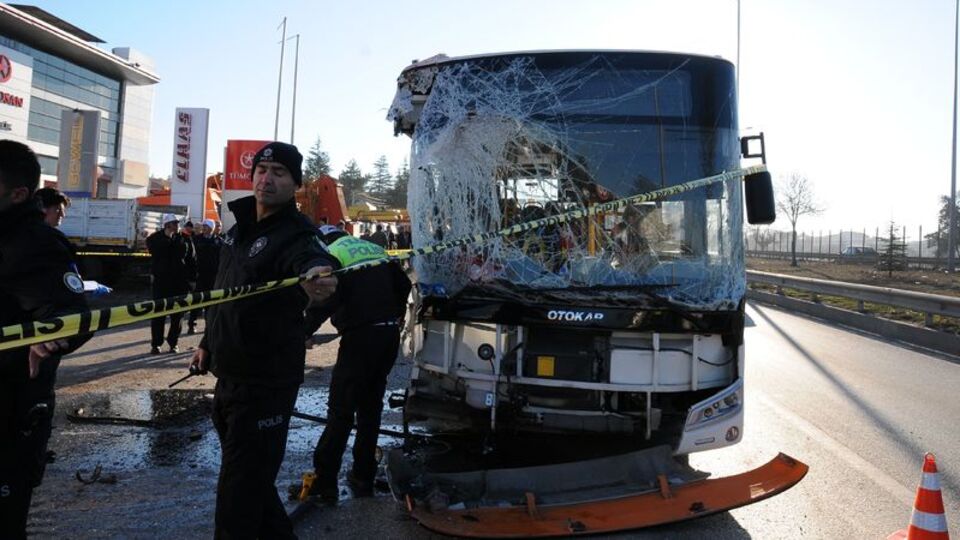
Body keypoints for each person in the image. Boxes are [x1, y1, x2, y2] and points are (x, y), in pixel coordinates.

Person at [189, 142, 337, 539]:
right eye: (261, 169)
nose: (267, 178)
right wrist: (207, 341)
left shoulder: (296, 233)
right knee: (252, 484)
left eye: (279, 172)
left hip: (266, 382)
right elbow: (224, 294)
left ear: (295, 183)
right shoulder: (238, 231)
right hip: (229, 376)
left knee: (236, 501)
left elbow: (312, 259)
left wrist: (319, 274)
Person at [0, 140, 90, 538]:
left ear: (18, 194)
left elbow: (72, 314)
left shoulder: (35, 244)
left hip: (9, 410)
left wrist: (50, 336)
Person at [307, 225, 411, 504]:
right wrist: (396, 313)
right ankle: (363, 474)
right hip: (388, 336)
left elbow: (327, 297)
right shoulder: (375, 249)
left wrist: (303, 331)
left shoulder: (332, 254)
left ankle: (325, 481)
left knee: (341, 409)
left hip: (360, 337)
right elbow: (404, 284)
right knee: (370, 405)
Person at [146, 214, 196, 354]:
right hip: (161, 282)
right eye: (174, 223)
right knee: (158, 314)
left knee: (177, 315)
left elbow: (192, 259)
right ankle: (156, 344)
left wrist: (192, 280)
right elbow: (156, 252)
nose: (177, 225)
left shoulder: (184, 238)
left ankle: (173, 343)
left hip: (179, 282)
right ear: (167, 224)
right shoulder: (154, 239)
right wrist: (168, 238)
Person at [187, 219, 221, 333]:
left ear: (211, 228)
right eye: (204, 226)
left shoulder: (218, 241)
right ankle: (192, 324)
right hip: (199, 275)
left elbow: (221, 259)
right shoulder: (196, 240)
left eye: (206, 226)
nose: (204, 228)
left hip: (212, 277)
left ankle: (209, 326)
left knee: (210, 303)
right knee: (196, 301)